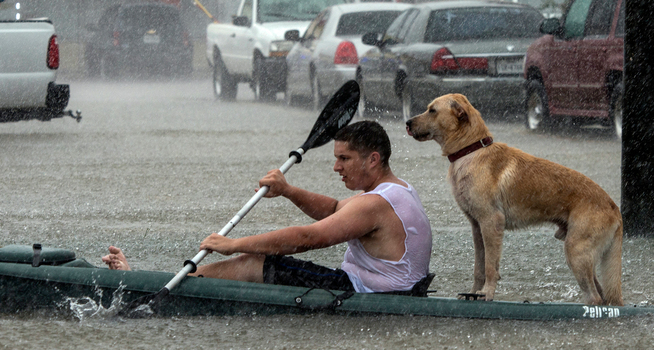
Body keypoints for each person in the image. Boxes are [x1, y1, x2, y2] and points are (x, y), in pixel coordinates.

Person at [101, 120, 432, 294]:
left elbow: (308, 237)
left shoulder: (374, 203)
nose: (336, 167)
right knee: (257, 260)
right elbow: (333, 210)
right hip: (387, 288)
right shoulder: (398, 191)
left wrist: (233, 245)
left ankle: (152, 287)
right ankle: (160, 280)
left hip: (369, 294)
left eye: (344, 159)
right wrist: (287, 190)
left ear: (373, 159)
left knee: (253, 262)